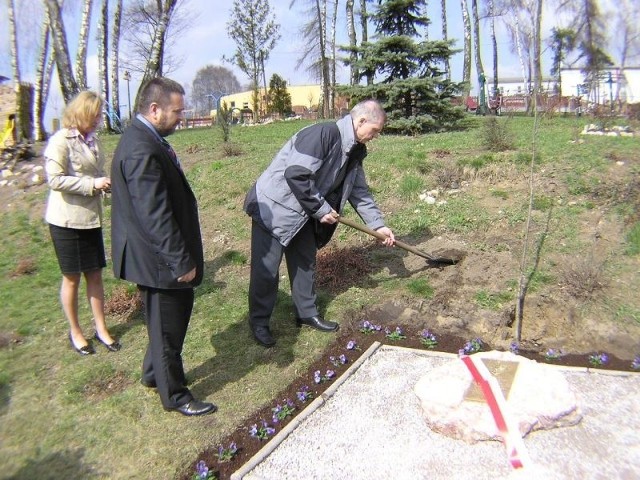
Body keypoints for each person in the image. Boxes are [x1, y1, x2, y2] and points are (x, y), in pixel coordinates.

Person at [243, 99, 395, 348]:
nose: (375, 136)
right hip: (274, 207)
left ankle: (306, 313)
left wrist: (378, 225)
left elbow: (359, 191)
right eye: (375, 130)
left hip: (304, 210)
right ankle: (259, 322)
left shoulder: (355, 149)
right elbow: (296, 173)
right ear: (361, 121)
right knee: (266, 269)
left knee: (304, 262)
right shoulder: (323, 134)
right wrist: (320, 209)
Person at [110, 77, 216, 417]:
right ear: (154, 109)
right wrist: (179, 261)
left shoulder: (144, 139)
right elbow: (154, 214)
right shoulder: (141, 147)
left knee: (163, 323)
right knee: (169, 329)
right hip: (160, 260)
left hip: (156, 256)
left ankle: (153, 373)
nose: (180, 118)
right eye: (176, 111)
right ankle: (176, 395)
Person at [44, 90, 121, 356]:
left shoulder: (94, 141)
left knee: (95, 274)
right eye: (96, 114)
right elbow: (54, 179)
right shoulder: (60, 141)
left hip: (90, 218)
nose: (100, 119)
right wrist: (92, 184)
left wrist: (106, 184)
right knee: (72, 278)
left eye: (100, 114)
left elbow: (97, 172)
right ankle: (76, 331)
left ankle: (101, 329)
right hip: (66, 220)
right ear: (82, 113)